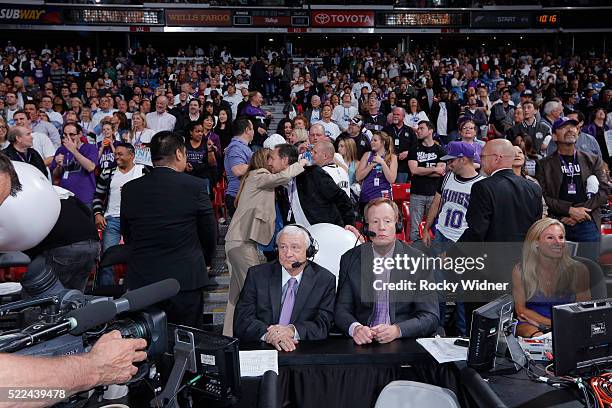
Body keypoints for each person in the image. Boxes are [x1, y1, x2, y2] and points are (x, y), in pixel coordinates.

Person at [120, 131, 217, 328]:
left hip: (143, 279)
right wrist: (207, 259)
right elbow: (209, 230)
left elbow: (127, 233)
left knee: (148, 344)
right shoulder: (195, 185)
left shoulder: (130, 189)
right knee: (187, 340)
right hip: (186, 278)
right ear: (180, 154)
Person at [224, 152, 309, 336]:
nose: (272, 162)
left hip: (237, 243)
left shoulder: (253, 178)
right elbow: (282, 177)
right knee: (258, 291)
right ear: (263, 160)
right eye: (269, 158)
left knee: (235, 296)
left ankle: (228, 337)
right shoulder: (258, 175)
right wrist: (300, 163)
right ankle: (265, 335)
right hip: (241, 244)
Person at [334, 198, 439, 344]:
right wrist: (356, 328)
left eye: (387, 221)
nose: (381, 227)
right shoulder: (350, 259)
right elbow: (341, 310)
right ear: (366, 227)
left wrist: (397, 330)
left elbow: (430, 316)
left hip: (403, 342)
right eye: (375, 222)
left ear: (397, 224)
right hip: (363, 341)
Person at [233, 225, 336, 349]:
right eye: (283, 247)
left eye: (295, 247)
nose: (288, 254)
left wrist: (292, 331)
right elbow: (242, 319)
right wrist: (270, 335)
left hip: (302, 350)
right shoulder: (257, 275)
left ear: (308, 251)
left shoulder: (324, 279)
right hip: (264, 347)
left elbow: (323, 324)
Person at [422, 141, 483, 336]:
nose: (448, 164)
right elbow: (437, 203)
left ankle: (463, 335)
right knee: (437, 289)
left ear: (463, 159)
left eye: (451, 160)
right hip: (442, 235)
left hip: (462, 242)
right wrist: (427, 228)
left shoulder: (480, 184)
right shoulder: (448, 177)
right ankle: (436, 330)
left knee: (462, 294)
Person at [536, 117, 609, 261]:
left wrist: (580, 212)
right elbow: (542, 196)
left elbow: (604, 190)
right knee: (557, 271)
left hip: (587, 222)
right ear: (555, 136)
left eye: (573, 127)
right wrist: (569, 211)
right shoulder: (544, 164)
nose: (570, 129)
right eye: (564, 127)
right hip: (557, 222)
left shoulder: (593, 159)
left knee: (588, 270)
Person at [512, 218, 590, 338]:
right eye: (550, 238)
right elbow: (521, 310)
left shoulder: (579, 270)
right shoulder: (520, 270)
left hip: (568, 323)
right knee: (532, 335)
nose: (558, 242)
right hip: (531, 323)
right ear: (536, 243)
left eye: (561, 237)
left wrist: (555, 325)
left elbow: (584, 311)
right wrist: (546, 326)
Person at [459, 139, 543, 243]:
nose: (480, 161)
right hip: (525, 255)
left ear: (496, 158)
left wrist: (452, 253)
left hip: (492, 256)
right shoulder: (534, 188)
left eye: (482, 157)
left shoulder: (482, 187)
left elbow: (476, 231)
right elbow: (536, 230)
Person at [93, 143, 146, 286]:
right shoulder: (108, 172)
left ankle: (136, 288)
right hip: (112, 219)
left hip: (137, 220)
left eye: (120, 154)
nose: (116, 157)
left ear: (131, 155)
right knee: (108, 257)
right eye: (116, 154)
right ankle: (107, 293)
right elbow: (98, 195)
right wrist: (98, 214)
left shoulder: (143, 171)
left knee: (139, 256)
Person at [273, 143, 355, 228]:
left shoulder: (312, 174)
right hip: (300, 237)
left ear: (284, 160)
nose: (269, 163)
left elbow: (341, 198)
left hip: (327, 233)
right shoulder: (280, 187)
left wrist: (349, 225)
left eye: (272, 159)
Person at [407, 121, 446, 242]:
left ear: (430, 131)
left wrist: (422, 170)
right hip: (417, 193)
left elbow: (440, 173)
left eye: (421, 128)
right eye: (417, 128)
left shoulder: (440, 150)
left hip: (434, 195)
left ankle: (433, 253)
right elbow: (414, 170)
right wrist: (434, 168)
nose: (418, 130)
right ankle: (415, 252)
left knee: (435, 226)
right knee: (414, 229)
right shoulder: (414, 149)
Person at [51, 122, 98, 207]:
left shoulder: (90, 147)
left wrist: (74, 150)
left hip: (84, 197)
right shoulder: (61, 150)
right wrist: (58, 166)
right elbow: (55, 174)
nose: (68, 137)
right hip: (65, 196)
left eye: (72, 134)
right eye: (65, 134)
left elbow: (91, 167)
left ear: (80, 134)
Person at [356, 131, 398, 214]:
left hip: (383, 197)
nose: (372, 142)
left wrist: (382, 163)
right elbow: (358, 177)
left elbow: (392, 179)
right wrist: (371, 165)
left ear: (383, 142)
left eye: (375, 140)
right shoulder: (367, 155)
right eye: (371, 140)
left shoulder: (392, 157)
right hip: (367, 196)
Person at [224, 118, 254, 217]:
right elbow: (238, 170)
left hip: (242, 196)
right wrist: (259, 162)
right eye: (252, 128)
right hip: (236, 197)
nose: (253, 132)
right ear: (247, 130)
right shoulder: (236, 147)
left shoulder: (241, 146)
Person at [383, 107, 415, 183]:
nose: (395, 116)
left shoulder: (410, 131)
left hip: (403, 167)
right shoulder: (386, 130)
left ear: (403, 117)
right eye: (394, 114)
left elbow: (415, 146)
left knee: (399, 191)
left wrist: (408, 152)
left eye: (398, 114)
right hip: (388, 165)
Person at [185, 121, 216, 195]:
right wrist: (185, 165)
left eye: (201, 131)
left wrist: (210, 150)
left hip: (203, 179)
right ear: (191, 132)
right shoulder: (185, 144)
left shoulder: (207, 143)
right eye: (197, 131)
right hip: (188, 178)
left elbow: (212, 164)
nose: (200, 134)